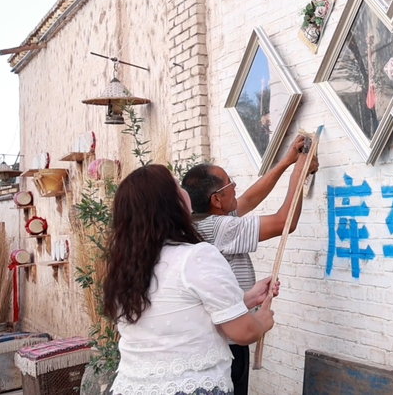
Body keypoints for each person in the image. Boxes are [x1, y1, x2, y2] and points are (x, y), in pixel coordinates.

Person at [103, 164, 280, 395]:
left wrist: (244, 300)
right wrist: (262, 321)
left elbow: (182, 312)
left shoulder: (125, 269)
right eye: (177, 186)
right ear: (170, 204)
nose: (184, 190)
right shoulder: (196, 256)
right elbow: (243, 332)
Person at [181, 135, 318, 395]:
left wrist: (286, 162)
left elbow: (250, 199)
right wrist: (299, 173)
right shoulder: (221, 228)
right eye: (230, 183)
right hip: (230, 343)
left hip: (218, 338)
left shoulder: (200, 220)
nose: (236, 187)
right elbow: (283, 222)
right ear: (217, 200)